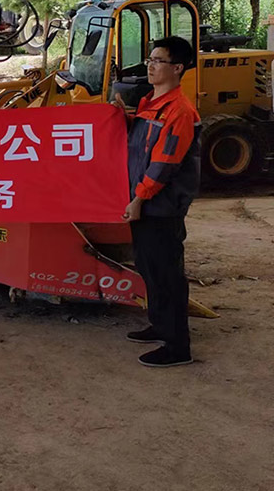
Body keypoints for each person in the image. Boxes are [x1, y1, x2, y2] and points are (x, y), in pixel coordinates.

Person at [115, 36, 201, 368]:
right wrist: (124, 118)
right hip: (146, 201)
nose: (150, 66)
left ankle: (178, 347)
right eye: (150, 59)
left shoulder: (179, 111)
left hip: (160, 205)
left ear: (177, 68)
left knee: (166, 273)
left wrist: (139, 198)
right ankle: (160, 325)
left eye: (158, 61)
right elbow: (140, 147)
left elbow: (164, 163)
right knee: (150, 269)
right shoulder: (151, 103)